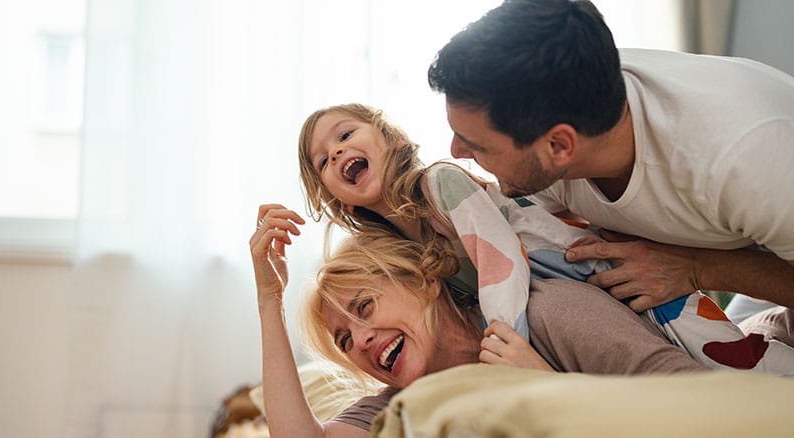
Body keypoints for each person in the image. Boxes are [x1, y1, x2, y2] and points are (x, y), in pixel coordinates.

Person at [298, 103, 794, 374]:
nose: (337, 152)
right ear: (336, 198)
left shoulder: (440, 184)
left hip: (592, 261)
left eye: (345, 135)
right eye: (323, 160)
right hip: (568, 284)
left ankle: (775, 381)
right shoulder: (400, 245)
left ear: (394, 139)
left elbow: (500, 262)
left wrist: (502, 345)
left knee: (718, 352)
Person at [428, 0, 794, 318]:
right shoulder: (561, 100)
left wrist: (698, 267)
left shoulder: (745, 158)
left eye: (477, 145)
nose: (456, 152)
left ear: (559, 147)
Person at [250, 205, 708, 436]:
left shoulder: (547, 312)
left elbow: (698, 399)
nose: (363, 339)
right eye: (344, 340)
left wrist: (549, 387)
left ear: (426, 278)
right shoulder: (395, 406)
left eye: (365, 307)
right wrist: (269, 300)